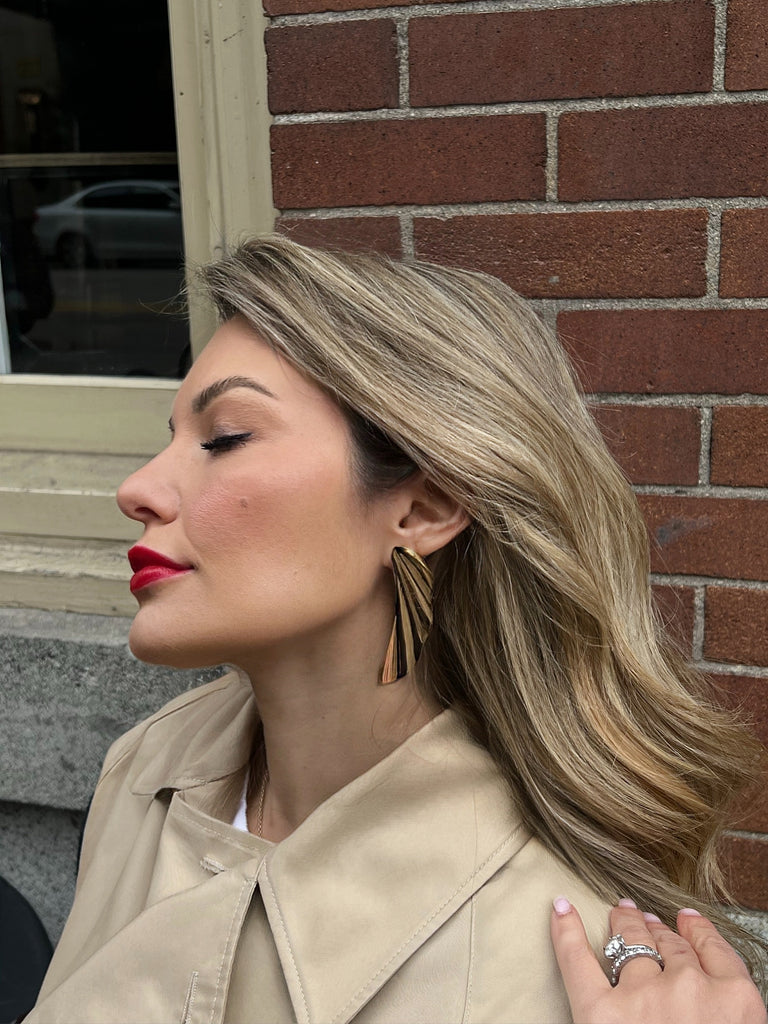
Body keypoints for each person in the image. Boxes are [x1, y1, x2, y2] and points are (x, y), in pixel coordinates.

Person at [27, 235, 767, 1022]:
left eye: (226, 437)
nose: (137, 488)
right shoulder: (144, 773)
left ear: (423, 509)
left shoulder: (565, 963)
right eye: (169, 438)